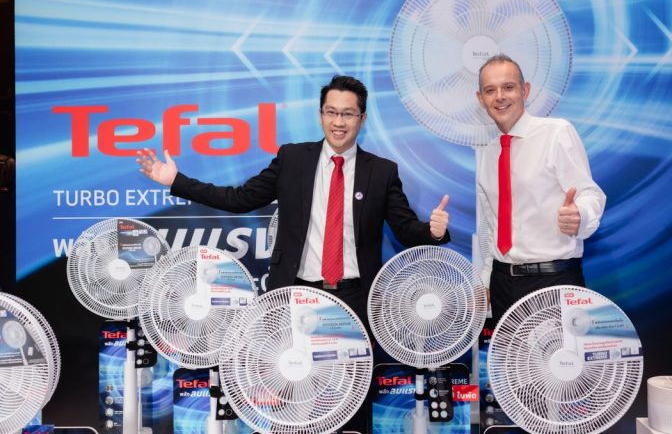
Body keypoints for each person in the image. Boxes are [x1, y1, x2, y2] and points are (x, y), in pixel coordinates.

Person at [136, 75, 451, 328]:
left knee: (351, 387)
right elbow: (239, 199)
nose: (339, 122)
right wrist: (177, 181)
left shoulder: (381, 172)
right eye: (331, 112)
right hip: (295, 294)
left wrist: (432, 232)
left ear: (362, 118)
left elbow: (405, 229)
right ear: (321, 115)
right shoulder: (293, 159)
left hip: (356, 299)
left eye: (348, 114)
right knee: (296, 379)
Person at [475, 54, 606, 322]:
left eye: (508, 87)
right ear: (481, 99)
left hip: (553, 281)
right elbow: (492, 225)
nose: (500, 96)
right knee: (508, 354)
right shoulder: (488, 153)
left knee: (559, 352)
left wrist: (580, 216)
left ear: (525, 90)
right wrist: (487, 279)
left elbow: (589, 194)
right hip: (502, 285)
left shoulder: (557, 133)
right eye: (490, 90)